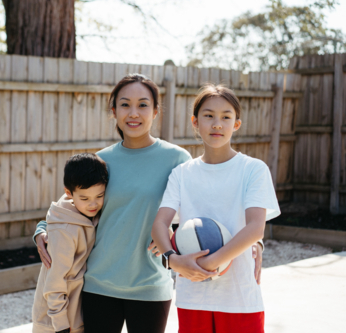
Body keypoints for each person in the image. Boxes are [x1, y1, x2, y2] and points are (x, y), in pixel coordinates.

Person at [34, 75, 264, 333]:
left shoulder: (177, 160)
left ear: (155, 111)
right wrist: (42, 228)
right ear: (114, 111)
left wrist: (253, 242)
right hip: (99, 283)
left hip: (152, 286)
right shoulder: (100, 161)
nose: (134, 113)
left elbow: (206, 210)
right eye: (125, 105)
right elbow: (71, 205)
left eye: (143, 105)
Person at [151, 84, 280, 333]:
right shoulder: (181, 173)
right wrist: (173, 260)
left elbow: (255, 228)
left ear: (237, 124)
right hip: (193, 297)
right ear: (195, 122)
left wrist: (212, 262)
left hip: (240, 297)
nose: (217, 124)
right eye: (208, 115)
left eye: (226, 117)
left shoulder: (253, 169)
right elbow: (159, 224)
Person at [32, 153, 109, 333]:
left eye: (100, 196)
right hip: (54, 324)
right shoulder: (65, 231)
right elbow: (55, 282)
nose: (93, 204)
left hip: (72, 317)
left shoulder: (83, 213)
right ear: (69, 193)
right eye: (84, 198)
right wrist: (61, 326)